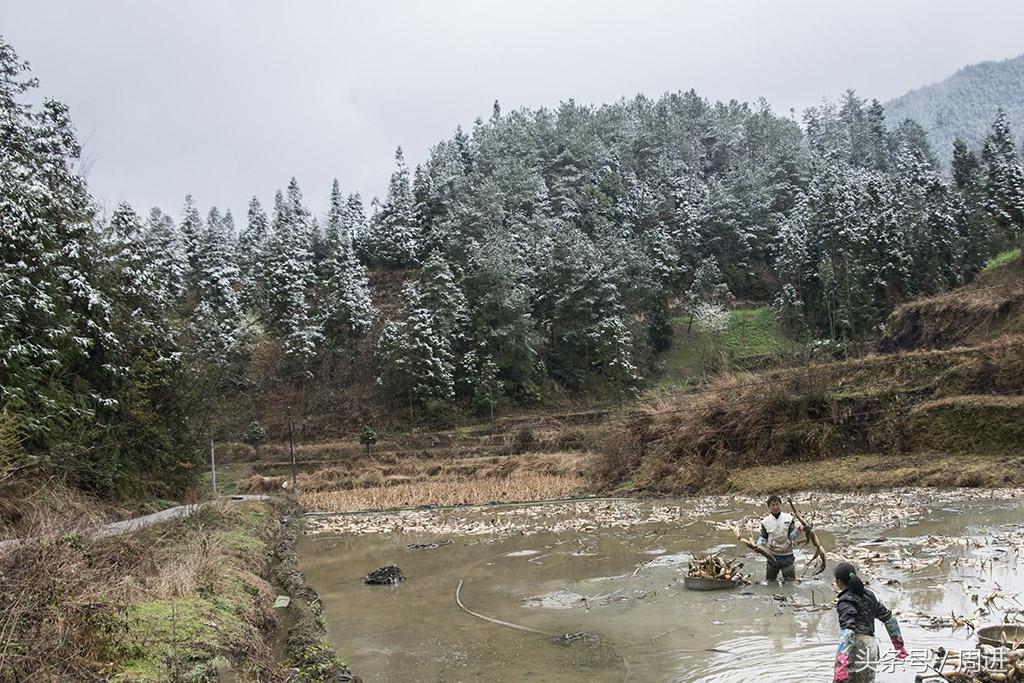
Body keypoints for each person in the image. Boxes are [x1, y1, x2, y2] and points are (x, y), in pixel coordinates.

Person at [832, 561, 907, 683]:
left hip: (855, 647)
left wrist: (842, 665)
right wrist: (899, 647)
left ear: (839, 582)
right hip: (871, 648)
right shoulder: (868, 594)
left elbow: (848, 632)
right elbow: (889, 619)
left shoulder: (845, 601)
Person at [756, 494, 800, 582]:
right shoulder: (765, 522)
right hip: (772, 555)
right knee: (770, 581)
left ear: (781, 505)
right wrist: (758, 545)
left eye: (777, 504)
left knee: (790, 582)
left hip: (787, 555)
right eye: (773, 505)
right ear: (769, 506)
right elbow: (764, 537)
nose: (775, 507)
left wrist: (800, 530)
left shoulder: (789, 518)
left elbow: (792, 536)